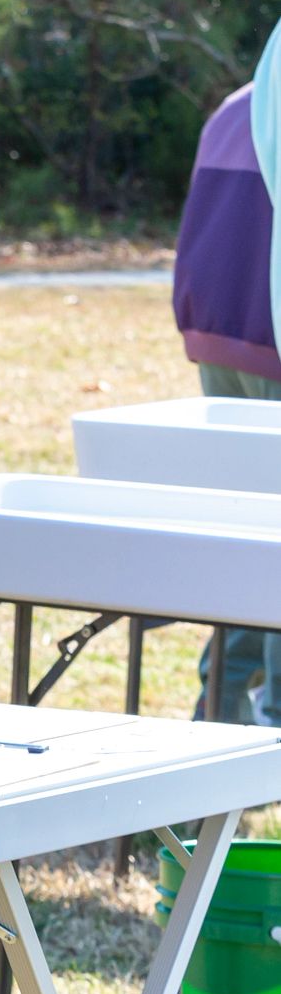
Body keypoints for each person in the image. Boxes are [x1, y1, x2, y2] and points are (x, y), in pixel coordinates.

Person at [176, 38, 281, 723]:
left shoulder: (232, 111)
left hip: (218, 340)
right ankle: (270, 720)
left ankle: (220, 716)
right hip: (269, 337)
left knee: (248, 531)